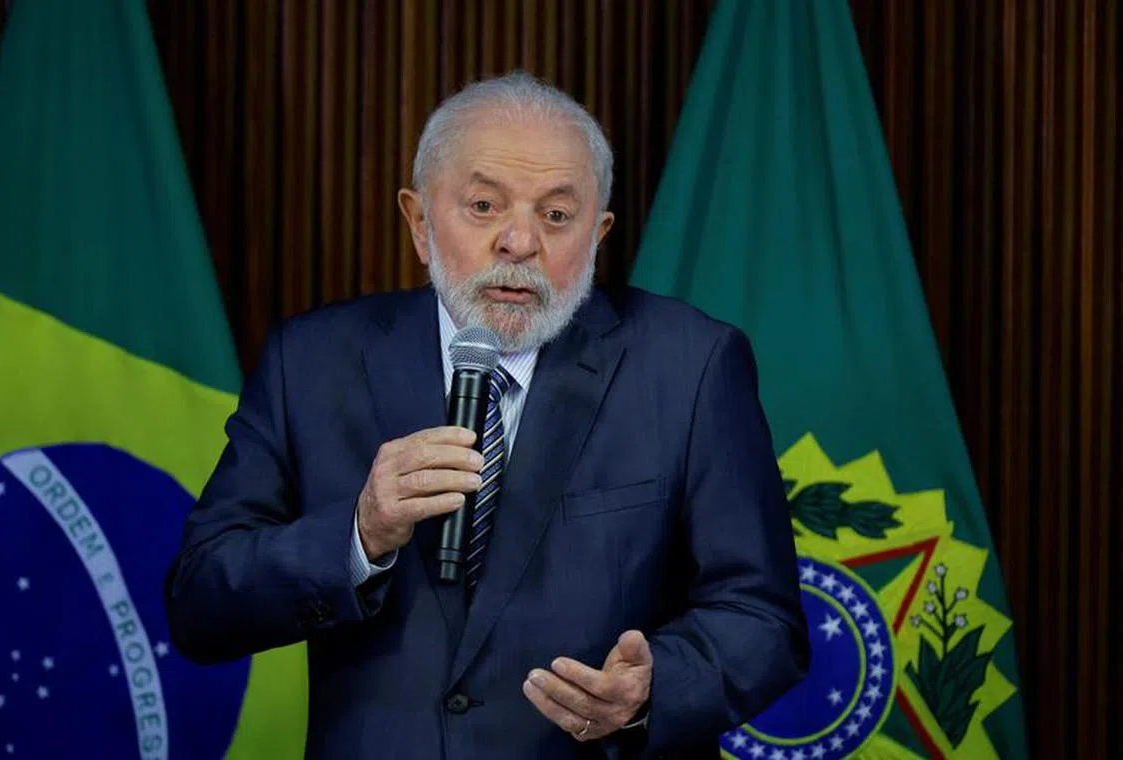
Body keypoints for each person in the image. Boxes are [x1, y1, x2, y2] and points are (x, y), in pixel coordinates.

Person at [164, 70, 809, 759]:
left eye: (557, 215)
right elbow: (200, 603)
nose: (519, 242)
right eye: (482, 206)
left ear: (598, 232)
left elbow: (763, 617)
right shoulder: (312, 361)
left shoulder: (689, 365)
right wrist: (358, 534)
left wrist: (652, 692)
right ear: (418, 221)